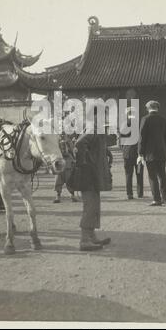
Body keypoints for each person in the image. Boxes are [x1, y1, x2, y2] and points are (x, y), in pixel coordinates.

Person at [73, 108, 112, 251]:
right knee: (90, 206)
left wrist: (107, 153)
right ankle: (84, 240)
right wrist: (86, 164)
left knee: (95, 205)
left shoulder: (98, 130)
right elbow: (79, 144)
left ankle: (92, 236)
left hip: (95, 175)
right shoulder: (92, 129)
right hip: (89, 175)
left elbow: (94, 146)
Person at [137, 100, 166, 206]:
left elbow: (142, 137)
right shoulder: (164, 120)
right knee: (162, 176)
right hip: (162, 152)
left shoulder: (145, 119)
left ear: (148, 108)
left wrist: (140, 152)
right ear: (157, 108)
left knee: (152, 176)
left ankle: (157, 199)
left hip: (150, 153)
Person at [120, 107, 144, 200]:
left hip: (127, 153)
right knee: (139, 173)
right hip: (139, 152)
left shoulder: (124, 124)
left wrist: (124, 149)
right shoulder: (139, 123)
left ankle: (129, 194)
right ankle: (140, 193)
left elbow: (121, 140)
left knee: (128, 174)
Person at [53, 133, 78, 203]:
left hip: (68, 162)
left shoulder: (69, 141)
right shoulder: (55, 140)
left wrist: (71, 148)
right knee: (58, 180)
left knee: (69, 179)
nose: (62, 134)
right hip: (58, 161)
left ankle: (72, 195)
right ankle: (58, 196)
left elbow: (74, 150)